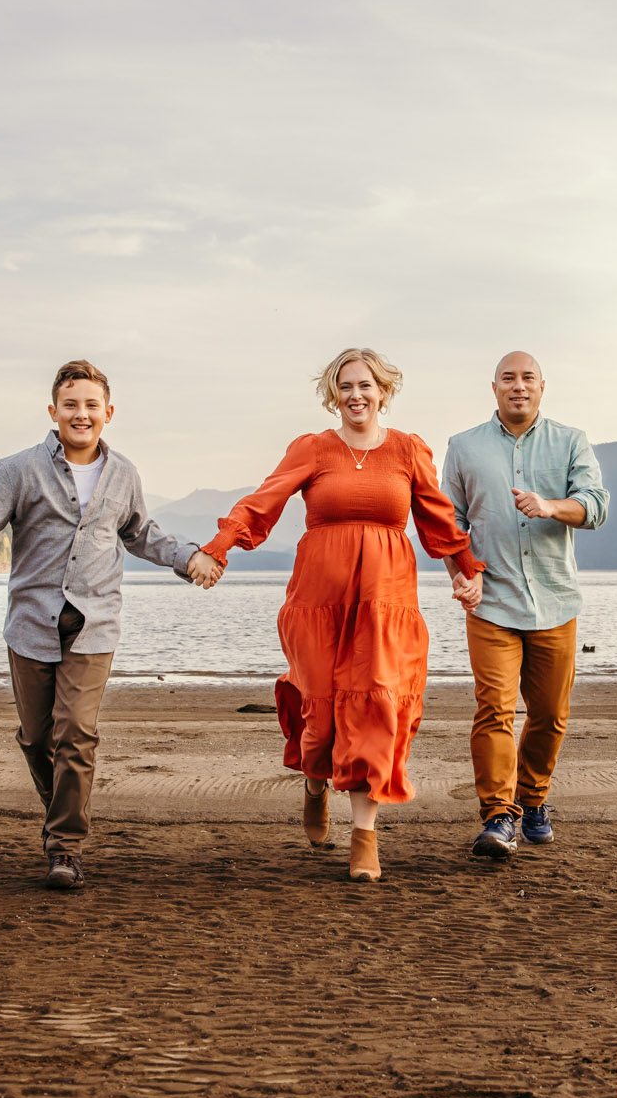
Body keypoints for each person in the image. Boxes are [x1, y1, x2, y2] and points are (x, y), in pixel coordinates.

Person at [200, 347, 484, 883]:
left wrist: (466, 571)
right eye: (346, 387)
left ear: (383, 391)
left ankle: (365, 837)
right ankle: (314, 783)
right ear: (334, 395)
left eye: (365, 385)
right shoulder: (313, 449)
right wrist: (220, 546)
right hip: (318, 602)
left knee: (376, 703)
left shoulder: (407, 450)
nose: (356, 395)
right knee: (322, 714)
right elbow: (263, 502)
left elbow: (439, 519)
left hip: (385, 601)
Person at [0, 360, 220, 891]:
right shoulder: (18, 469)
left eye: (92, 405)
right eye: (71, 404)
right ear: (54, 411)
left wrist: (189, 558)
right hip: (31, 624)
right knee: (36, 736)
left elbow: (141, 534)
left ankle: (65, 847)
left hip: (95, 625)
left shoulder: (124, 474)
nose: (81, 414)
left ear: (108, 414)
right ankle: (59, 815)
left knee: (77, 734)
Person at [441, 351, 609, 860]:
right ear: (493, 387)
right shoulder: (463, 447)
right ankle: (498, 817)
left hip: (555, 600)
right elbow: (447, 525)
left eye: (527, 378)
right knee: (494, 710)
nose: (518, 386)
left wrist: (550, 506)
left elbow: (597, 505)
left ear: (542, 387)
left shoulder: (571, 441)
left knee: (550, 714)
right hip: (491, 602)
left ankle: (532, 800)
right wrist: (461, 576)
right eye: (508, 379)